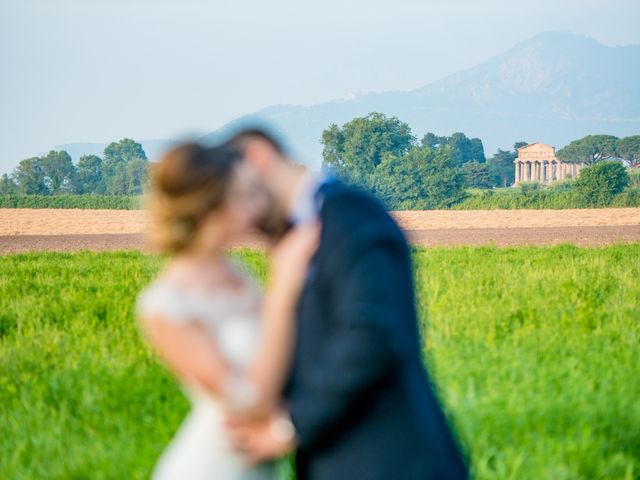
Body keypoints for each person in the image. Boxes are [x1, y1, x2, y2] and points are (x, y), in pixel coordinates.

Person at [224, 129, 469, 480]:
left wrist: (289, 428)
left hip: (389, 463)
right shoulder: (298, 234)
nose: (241, 218)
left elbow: (373, 336)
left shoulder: (349, 214)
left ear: (258, 157)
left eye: (239, 196)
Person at [136, 142, 319, 480]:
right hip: (214, 468)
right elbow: (248, 402)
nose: (255, 207)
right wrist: (282, 289)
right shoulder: (165, 305)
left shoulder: (236, 272)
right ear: (211, 209)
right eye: (242, 196)